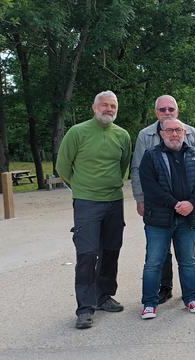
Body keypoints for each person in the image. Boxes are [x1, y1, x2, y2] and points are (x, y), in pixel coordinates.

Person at [55, 91, 132, 329]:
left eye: (113, 106)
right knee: (87, 254)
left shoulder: (122, 135)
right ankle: (85, 308)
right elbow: (63, 166)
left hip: (113, 201)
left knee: (111, 250)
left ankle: (104, 295)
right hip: (87, 202)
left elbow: (123, 166)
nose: (109, 109)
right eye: (104, 105)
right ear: (94, 107)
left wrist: (109, 186)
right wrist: (81, 188)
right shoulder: (77, 132)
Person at [130, 95, 195, 305]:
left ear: (177, 110)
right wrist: (140, 197)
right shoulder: (145, 135)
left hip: (188, 205)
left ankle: (189, 292)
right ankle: (164, 288)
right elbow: (137, 168)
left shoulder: (190, 132)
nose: (167, 112)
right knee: (159, 252)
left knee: (186, 254)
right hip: (157, 204)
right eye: (162, 109)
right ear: (156, 112)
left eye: (171, 109)